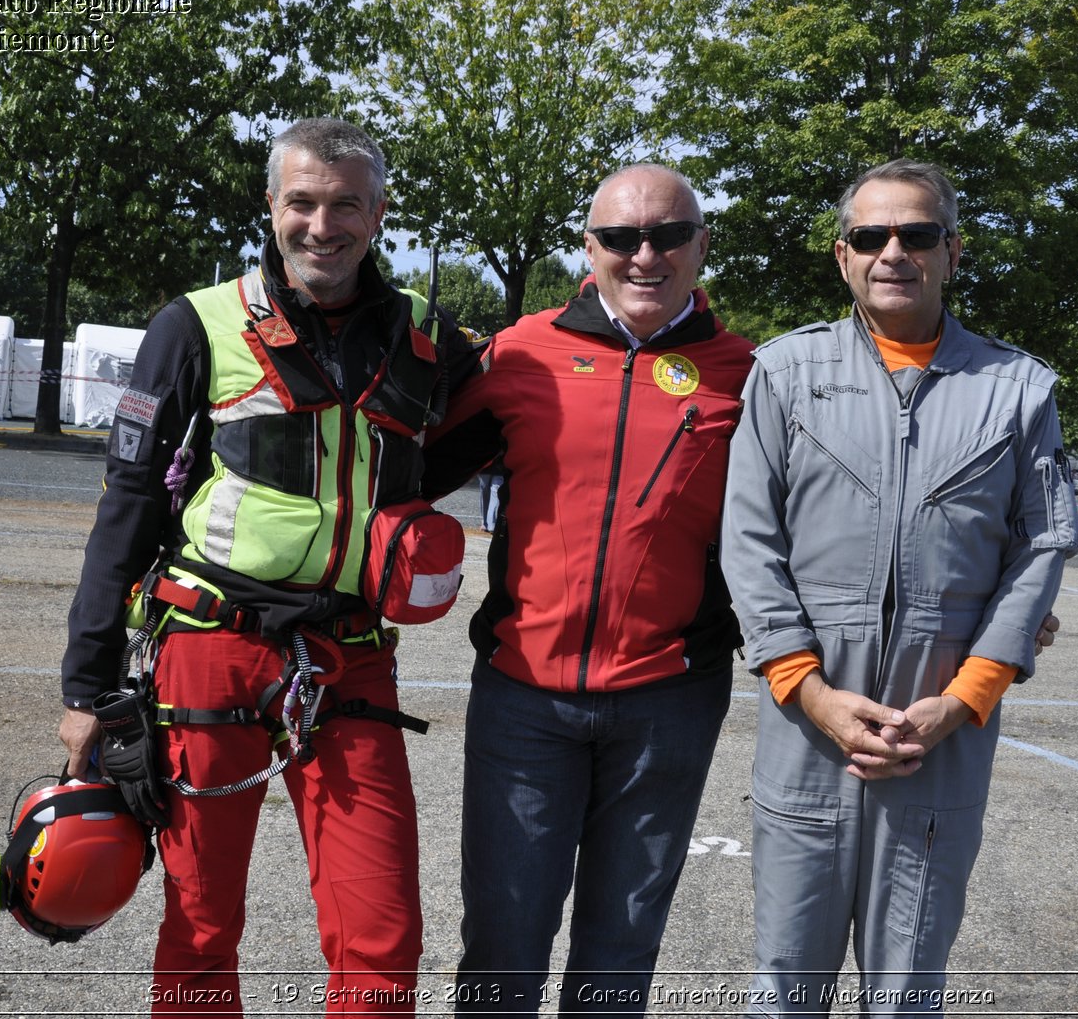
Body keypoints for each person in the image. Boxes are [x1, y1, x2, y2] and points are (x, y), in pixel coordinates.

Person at [58, 118, 475, 1016]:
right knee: (202, 925)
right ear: (272, 205)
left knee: (385, 931)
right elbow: (127, 499)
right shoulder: (192, 324)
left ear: (378, 213)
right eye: (303, 203)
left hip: (351, 654)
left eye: (346, 206)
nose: (322, 226)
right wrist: (86, 683)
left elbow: (482, 436)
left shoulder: (430, 337)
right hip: (209, 649)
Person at [720, 158, 1078, 1015]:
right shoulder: (783, 374)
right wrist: (804, 689)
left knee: (908, 992)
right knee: (783, 990)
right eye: (870, 235)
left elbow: (1043, 547)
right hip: (808, 728)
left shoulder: (1019, 390)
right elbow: (748, 540)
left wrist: (967, 697)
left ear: (952, 252)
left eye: (917, 235)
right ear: (842, 255)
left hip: (941, 737)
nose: (893, 252)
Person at [419, 163, 754, 1014]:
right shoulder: (521, 352)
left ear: (702, 245)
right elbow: (396, 470)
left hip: (669, 703)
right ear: (589, 247)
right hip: (524, 701)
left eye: (669, 234)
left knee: (620, 953)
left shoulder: (749, 375)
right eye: (621, 237)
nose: (646, 254)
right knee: (502, 941)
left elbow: (831, 516)